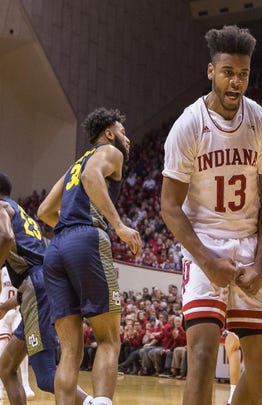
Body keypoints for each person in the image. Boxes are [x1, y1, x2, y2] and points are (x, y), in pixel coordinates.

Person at [160, 25, 262, 405]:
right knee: (201, 356)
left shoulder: (261, 123)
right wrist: (206, 260)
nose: (236, 82)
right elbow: (169, 206)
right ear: (211, 71)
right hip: (203, 244)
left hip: (249, 243)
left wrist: (261, 262)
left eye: (244, 73)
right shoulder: (188, 125)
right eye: (229, 72)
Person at [37, 108, 142, 405]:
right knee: (109, 340)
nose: (128, 140)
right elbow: (92, 175)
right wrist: (119, 226)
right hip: (86, 240)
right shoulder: (110, 152)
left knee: (70, 351)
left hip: (56, 248)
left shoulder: (73, 165)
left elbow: (44, 211)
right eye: (123, 132)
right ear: (109, 133)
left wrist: (68, 230)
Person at [0, 172, 92, 405]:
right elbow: (33, 276)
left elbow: (5, 237)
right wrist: (5, 305)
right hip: (43, 284)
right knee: (6, 367)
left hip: (39, 288)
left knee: (45, 375)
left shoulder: (1, 207)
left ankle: (93, 403)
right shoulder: (20, 212)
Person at [0, 266, 34, 399]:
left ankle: (26, 383)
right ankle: (1, 387)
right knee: (2, 348)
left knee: (20, 345)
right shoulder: (2, 271)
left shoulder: (20, 267)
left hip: (18, 309)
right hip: (3, 311)